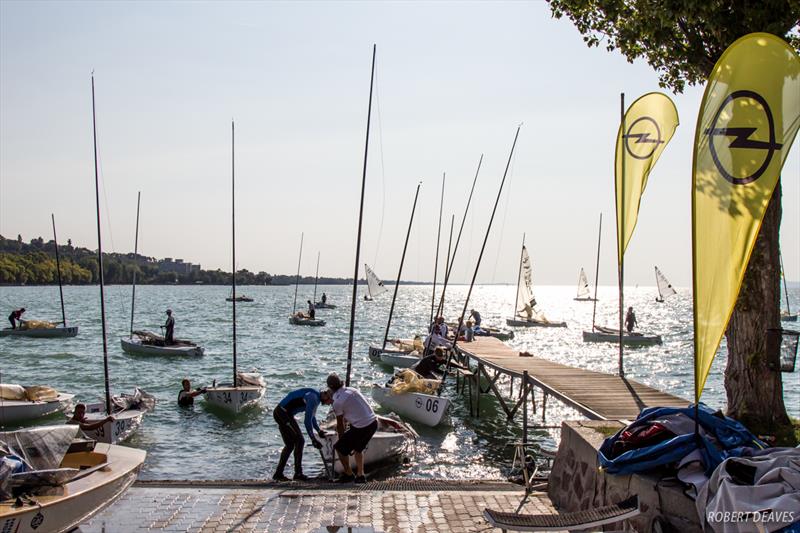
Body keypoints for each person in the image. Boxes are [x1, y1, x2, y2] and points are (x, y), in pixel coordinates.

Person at [273, 387, 332, 482]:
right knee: (299, 441)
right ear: (325, 395)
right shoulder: (313, 398)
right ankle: (297, 473)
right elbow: (307, 421)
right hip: (282, 413)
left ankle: (279, 473)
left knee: (290, 445)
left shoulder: (316, 397)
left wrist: (318, 430)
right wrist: (313, 439)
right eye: (330, 400)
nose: (330, 403)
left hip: (285, 414)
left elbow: (312, 417)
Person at [326, 373, 377, 484]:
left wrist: (341, 439)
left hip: (361, 426)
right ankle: (360, 475)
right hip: (373, 423)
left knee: (340, 448)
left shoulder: (337, 402)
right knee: (358, 449)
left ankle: (348, 474)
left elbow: (340, 425)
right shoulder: (352, 390)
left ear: (330, 388)